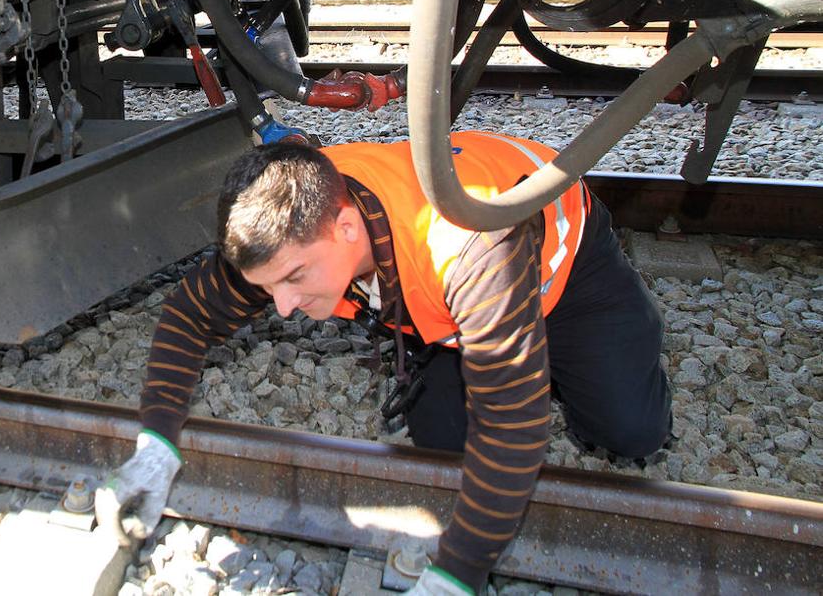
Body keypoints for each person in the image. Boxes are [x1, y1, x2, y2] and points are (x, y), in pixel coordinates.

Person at [95, 133, 671, 595]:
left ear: (346, 228)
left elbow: (515, 432)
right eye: (269, 287)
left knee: (629, 429)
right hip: (442, 306)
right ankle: (490, 351)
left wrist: (455, 576)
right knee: (444, 444)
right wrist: (156, 448)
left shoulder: (469, 243)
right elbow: (188, 316)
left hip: (565, 276)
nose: (284, 307)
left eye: (295, 279)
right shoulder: (288, 224)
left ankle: (601, 340)